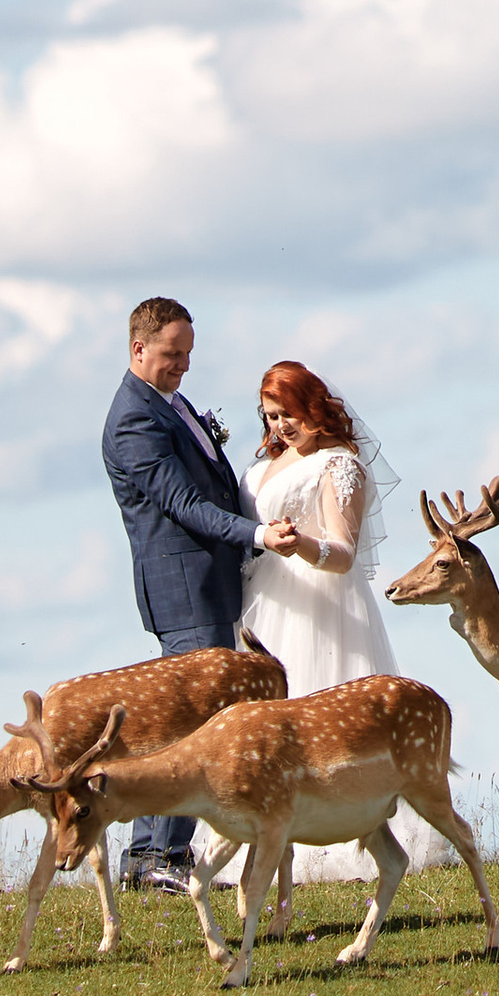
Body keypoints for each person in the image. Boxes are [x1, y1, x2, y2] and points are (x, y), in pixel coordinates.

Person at [102, 295, 300, 893]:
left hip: (210, 585)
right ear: (139, 348)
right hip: (183, 589)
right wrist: (260, 534)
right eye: (172, 355)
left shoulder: (170, 402)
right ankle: (159, 859)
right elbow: (186, 507)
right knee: (191, 728)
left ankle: (150, 855)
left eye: (188, 354)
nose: (183, 366)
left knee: (179, 725)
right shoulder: (134, 420)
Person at [238, 360, 447, 879]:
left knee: (321, 715)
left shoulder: (337, 464)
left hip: (319, 605)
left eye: (288, 413)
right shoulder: (263, 467)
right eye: (270, 416)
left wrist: (298, 543)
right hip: (263, 602)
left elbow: (344, 553)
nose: (280, 426)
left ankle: (330, 846)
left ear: (312, 405)